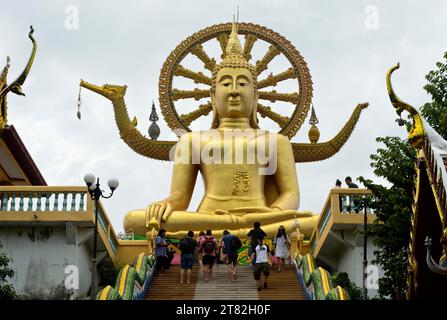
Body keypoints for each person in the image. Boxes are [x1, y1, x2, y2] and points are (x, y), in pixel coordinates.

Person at [123, 20, 320, 240]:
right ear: (212, 96)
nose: (234, 91)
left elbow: (290, 194)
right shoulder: (192, 141)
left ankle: (242, 228)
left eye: (243, 84)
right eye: (226, 84)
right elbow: (180, 197)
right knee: (133, 220)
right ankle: (242, 229)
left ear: (255, 95)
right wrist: (164, 205)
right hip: (208, 217)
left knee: (314, 222)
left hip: (262, 217)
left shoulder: (276, 141)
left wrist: (273, 213)